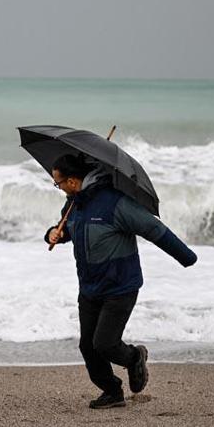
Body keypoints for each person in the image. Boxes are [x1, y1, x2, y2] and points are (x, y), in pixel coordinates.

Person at [45, 154, 197, 409]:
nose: (58, 187)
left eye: (57, 183)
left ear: (72, 181)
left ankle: (135, 356)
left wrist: (186, 257)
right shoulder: (74, 204)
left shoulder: (115, 203)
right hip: (90, 286)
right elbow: (71, 229)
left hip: (120, 286)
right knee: (88, 347)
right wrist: (55, 234)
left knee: (104, 344)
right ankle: (112, 391)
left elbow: (153, 229)